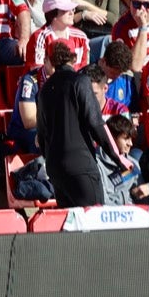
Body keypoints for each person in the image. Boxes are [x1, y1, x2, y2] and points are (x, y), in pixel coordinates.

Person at [35, 44, 116, 208]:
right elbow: (95, 123)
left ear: (51, 61)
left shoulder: (45, 89)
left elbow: (42, 135)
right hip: (81, 166)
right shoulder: (81, 81)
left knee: (70, 222)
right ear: (74, 58)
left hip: (56, 169)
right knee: (93, 218)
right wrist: (117, 157)